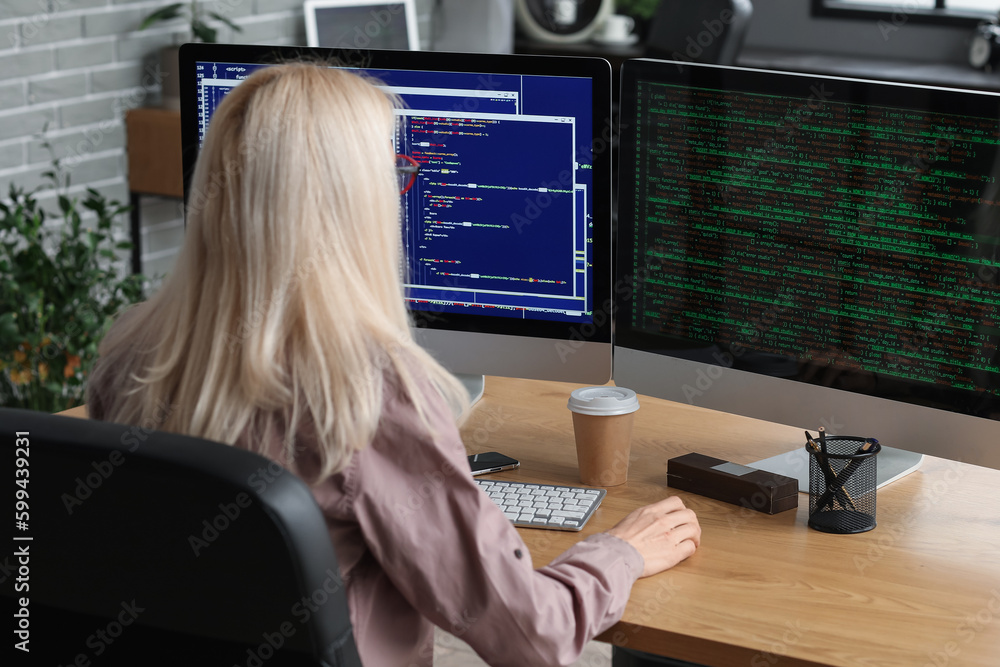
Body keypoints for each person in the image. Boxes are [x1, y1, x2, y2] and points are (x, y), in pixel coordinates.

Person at [86, 63, 701, 666]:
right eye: (393, 171)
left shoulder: (130, 354)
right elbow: (530, 639)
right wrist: (619, 552)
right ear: (352, 205)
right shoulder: (366, 395)